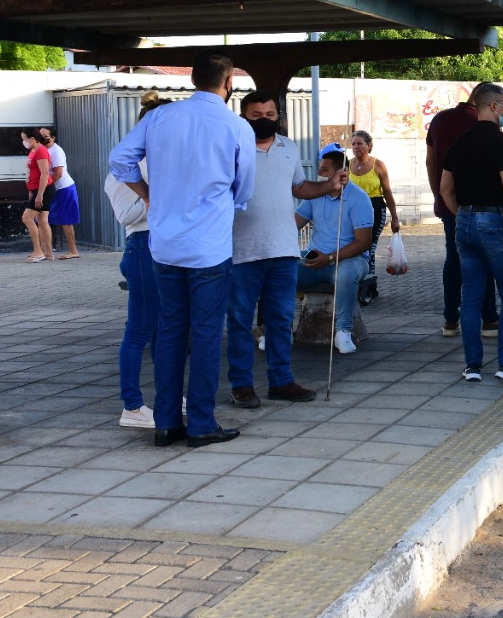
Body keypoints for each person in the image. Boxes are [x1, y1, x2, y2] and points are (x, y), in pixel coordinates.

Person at [108, 50, 256, 449]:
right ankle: (202, 423)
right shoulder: (236, 126)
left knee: (170, 331)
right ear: (229, 85)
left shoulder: (159, 117)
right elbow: (244, 189)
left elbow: (119, 159)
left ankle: (167, 423)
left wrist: (146, 192)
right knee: (206, 334)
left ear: (193, 80)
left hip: (164, 246)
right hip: (209, 247)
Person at [226, 91, 341, 409]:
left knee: (280, 320)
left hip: (283, 249)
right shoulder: (231, 147)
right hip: (241, 251)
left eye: (270, 114)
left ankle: (281, 381)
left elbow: (300, 187)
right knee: (239, 321)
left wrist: (329, 186)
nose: (264, 119)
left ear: (279, 115)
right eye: (256, 114)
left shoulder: (288, 147)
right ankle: (241, 385)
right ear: (243, 115)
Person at [440, 83, 503, 383]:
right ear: (493, 106)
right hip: (494, 223)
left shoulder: (458, 144)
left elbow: (446, 189)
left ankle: (472, 365)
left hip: (464, 224)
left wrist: (463, 217)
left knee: (470, 298)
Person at [104, 91, 171, 429]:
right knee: (139, 330)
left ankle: (167, 397)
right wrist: (156, 193)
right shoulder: (125, 166)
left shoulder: (160, 158)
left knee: (163, 330)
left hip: (163, 246)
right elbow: (126, 216)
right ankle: (131, 405)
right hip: (143, 246)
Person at [425, 84, 499, 339]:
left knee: (453, 259)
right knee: (485, 260)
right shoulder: (482, 122)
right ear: (488, 102)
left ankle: (450, 320)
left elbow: (430, 161)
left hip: (449, 205)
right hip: (480, 205)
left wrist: (439, 196)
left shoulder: (438, 120)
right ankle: (489, 319)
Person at [295, 150, 373, 355]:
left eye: (324, 170)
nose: (319, 173)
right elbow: (293, 224)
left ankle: (343, 331)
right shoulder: (314, 195)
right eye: (319, 168)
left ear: (342, 172)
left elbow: (363, 242)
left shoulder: (358, 198)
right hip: (314, 257)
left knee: (345, 275)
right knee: (279, 270)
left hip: (350, 259)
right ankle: (277, 329)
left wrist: (330, 258)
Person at [347, 130, 400, 305]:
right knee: (354, 247)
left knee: (368, 247)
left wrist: (394, 218)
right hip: (353, 211)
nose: (356, 147)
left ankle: (367, 288)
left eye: (360, 143)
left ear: (369, 146)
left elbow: (387, 192)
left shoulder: (378, 165)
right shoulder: (346, 165)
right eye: (353, 144)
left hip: (375, 208)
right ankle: (366, 284)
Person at [40, 126, 81, 260]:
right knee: (42, 218)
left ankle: (73, 250)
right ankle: (44, 250)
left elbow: (58, 173)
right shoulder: (42, 150)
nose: (42, 138)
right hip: (52, 188)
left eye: (45, 136)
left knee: (66, 220)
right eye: (40, 135)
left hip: (63, 188)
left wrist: (46, 188)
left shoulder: (56, 151)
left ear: (53, 138)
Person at [20, 128, 55, 263]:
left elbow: (45, 174)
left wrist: (39, 195)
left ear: (32, 139)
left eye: (25, 139)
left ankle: (38, 251)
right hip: (36, 189)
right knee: (42, 221)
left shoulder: (41, 151)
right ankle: (48, 253)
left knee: (27, 218)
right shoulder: (33, 150)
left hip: (44, 189)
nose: (24, 142)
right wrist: (32, 192)